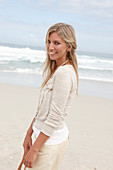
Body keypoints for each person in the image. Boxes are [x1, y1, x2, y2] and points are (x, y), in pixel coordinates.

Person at [23, 22, 78, 170]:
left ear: (69, 46)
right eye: (48, 41)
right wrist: (29, 132)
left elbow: (55, 116)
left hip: (49, 143)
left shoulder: (64, 73)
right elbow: (42, 110)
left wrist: (34, 150)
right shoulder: (57, 69)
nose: (50, 47)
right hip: (42, 137)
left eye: (56, 43)